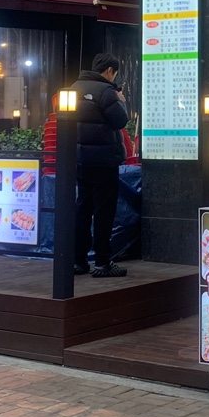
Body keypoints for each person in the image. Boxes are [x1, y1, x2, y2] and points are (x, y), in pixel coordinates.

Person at [72, 52, 129, 278]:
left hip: (81, 160)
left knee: (83, 210)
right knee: (104, 212)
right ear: (109, 71)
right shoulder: (106, 92)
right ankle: (102, 263)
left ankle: (78, 261)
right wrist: (120, 101)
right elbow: (120, 121)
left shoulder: (74, 88)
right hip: (104, 161)